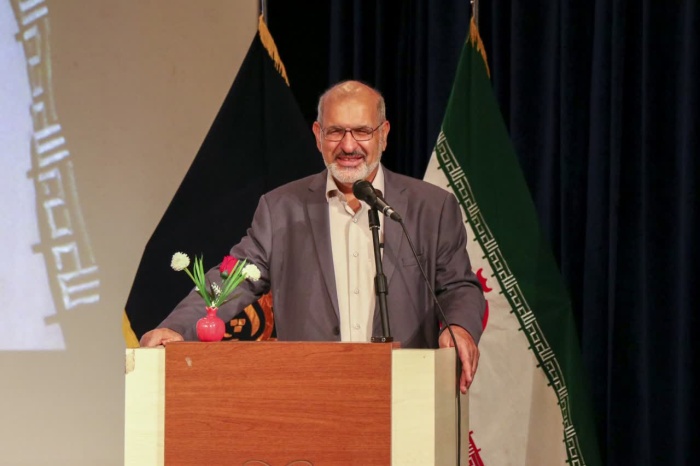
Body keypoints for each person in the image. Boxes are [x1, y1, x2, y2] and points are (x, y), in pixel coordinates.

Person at [140, 80, 485, 392]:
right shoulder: (280, 209)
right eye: (335, 132)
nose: (348, 145)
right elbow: (235, 277)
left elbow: (458, 286)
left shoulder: (432, 207)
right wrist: (178, 327)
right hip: (311, 394)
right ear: (318, 135)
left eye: (362, 131)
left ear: (384, 134)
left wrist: (459, 328)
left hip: (406, 393)